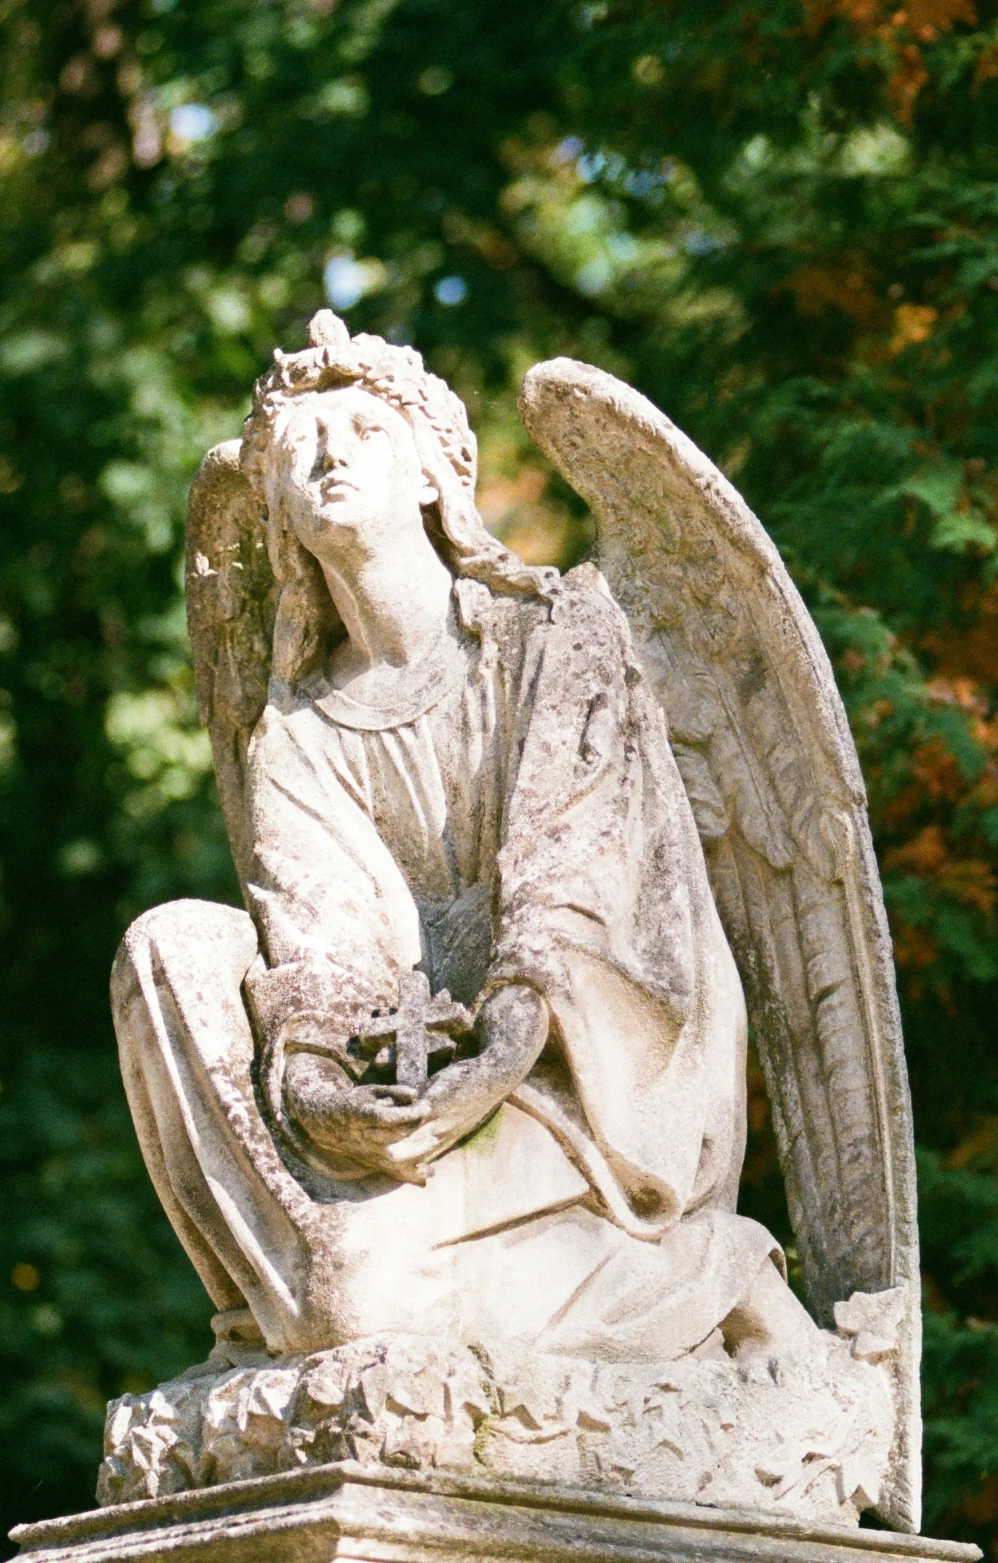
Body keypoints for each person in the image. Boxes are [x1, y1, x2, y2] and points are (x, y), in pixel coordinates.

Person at [113, 320, 814, 1365]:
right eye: (300, 442)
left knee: (349, 1304)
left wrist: (496, 1057)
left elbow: (577, 885)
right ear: (276, 511)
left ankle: (701, 1276)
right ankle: (323, 1289)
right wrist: (321, 1087)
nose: (330, 453)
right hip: (402, 1087)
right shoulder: (296, 735)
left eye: (364, 429)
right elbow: (330, 951)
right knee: (168, 944)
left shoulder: (555, 635)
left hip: (576, 1076)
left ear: (438, 472)